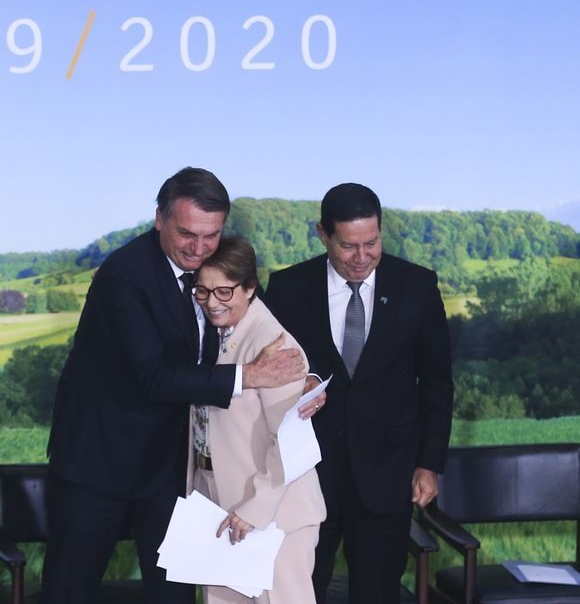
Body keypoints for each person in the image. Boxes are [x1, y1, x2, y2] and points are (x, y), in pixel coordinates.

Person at [41, 167, 311, 603]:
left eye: (212, 235)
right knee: (69, 592)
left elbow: (269, 330)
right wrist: (251, 376)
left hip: (171, 470)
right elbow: (154, 378)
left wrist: (306, 378)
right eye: (188, 234)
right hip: (99, 463)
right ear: (159, 219)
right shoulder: (123, 276)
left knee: (175, 596)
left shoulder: (218, 264)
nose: (200, 248)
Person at [266, 183, 453, 604]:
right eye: (349, 246)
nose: (362, 257)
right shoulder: (287, 289)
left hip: (387, 475)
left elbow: (437, 383)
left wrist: (428, 464)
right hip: (307, 474)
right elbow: (269, 376)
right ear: (322, 234)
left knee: (377, 593)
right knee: (299, 591)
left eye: (372, 243)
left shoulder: (417, 287)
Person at [187, 236, 326, 604]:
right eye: (202, 292)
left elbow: (290, 440)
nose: (212, 303)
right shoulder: (210, 334)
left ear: (250, 288)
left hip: (276, 515)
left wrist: (255, 509)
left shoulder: (274, 344)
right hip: (219, 507)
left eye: (224, 292)